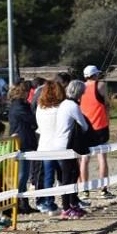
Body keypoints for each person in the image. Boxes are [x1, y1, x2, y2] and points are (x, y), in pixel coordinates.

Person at [56, 80, 91, 219]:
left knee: (74, 173)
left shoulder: (64, 104)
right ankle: (66, 208)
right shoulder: (72, 106)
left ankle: (72, 203)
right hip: (66, 145)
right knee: (68, 176)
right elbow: (84, 126)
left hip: (63, 143)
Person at [79, 65, 113, 199]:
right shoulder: (101, 86)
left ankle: (85, 190)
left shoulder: (80, 87)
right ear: (95, 75)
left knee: (84, 159)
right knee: (102, 158)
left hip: (85, 128)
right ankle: (103, 189)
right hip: (100, 127)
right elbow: (107, 104)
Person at [35, 79, 67, 215]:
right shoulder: (62, 107)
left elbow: (39, 128)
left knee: (48, 177)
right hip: (60, 146)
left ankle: (49, 203)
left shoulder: (40, 107)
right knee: (65, 176)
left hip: (45, 146)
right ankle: (68, 202)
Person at [7, 83, 38, 214]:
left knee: (24, 175)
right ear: (22, 92)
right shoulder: (19, 107)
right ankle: (19, 202)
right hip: (22, 142)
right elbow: (32, 119)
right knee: (22, 175)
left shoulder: (19, 105)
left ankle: (23, 202)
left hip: (23, 140)